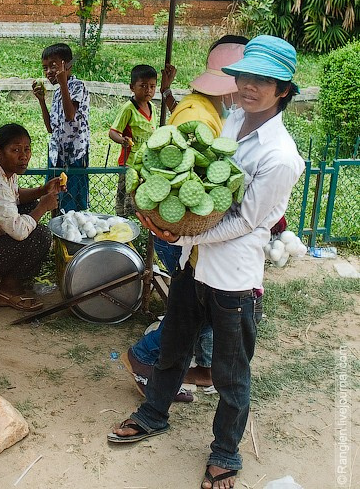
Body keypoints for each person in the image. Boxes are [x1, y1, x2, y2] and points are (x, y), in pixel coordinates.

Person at [108, 36, 304, 489]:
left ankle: (225, 454)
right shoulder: (232, 119)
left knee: (230, 374)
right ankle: (154, 413)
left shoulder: (281, 156)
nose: (249, 87)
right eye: (245, 76)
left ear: (284, 90)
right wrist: (181, 230)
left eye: (263, 80)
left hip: (234, 280)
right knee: (174, 347)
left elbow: (248, 220)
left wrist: (182, 233)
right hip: (194, 265)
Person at [124, 37, 250, 397]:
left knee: (198, 311)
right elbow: (184, 186)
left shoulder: (207, 110)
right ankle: (144, 357)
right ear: (229, 88)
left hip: (193, 235)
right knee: (196, 313)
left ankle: (191, 367)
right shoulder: (198, 117)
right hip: (182, 234)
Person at [0, 123, 65, 312]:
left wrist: (43, 190)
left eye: (27, 149)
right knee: (40, 236)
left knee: (30, 208)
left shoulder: (2, 170)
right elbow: (19, 232)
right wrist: (44, 205)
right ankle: (7, 290)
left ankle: (7, 282)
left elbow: (14, 197)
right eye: (16, 150)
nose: (24, 156)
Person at [109, 63, 175, 217]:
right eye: (143, 86)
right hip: (129, 162)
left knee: (139, 198)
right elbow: (112, 132)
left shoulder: (152, 107)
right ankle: (121, 225)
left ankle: (137, 224)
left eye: (152, 86)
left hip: (145, 163)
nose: (148, 90)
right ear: (132, 87)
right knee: (124, 199)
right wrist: (122, 140)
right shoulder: (128, 108)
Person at [32, 43, 89, 212]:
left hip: (75, 155)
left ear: (67, 65)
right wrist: (42, 100)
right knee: (53, 198)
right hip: (56, 154)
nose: (49, 71)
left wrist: (63, 83)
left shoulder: (78, 86)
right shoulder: (57, 92)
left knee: (72, 202)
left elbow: (70, 115)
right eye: (45, 68)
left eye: (53, 66)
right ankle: (55, 234)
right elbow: (51, 128)